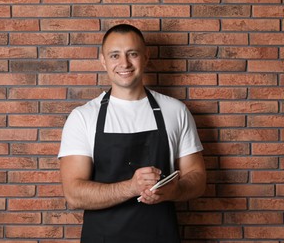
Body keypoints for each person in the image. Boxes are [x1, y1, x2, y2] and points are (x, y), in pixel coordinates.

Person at [58, 24, 206, 243]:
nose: (124, 63)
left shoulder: (175, 110)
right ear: (103, 60)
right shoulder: (83, 117)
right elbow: (73, 193)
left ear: (146, 57)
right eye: (115, 55)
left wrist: (175, 190)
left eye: (132, 54)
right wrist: (132, 187)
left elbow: (198, 178)